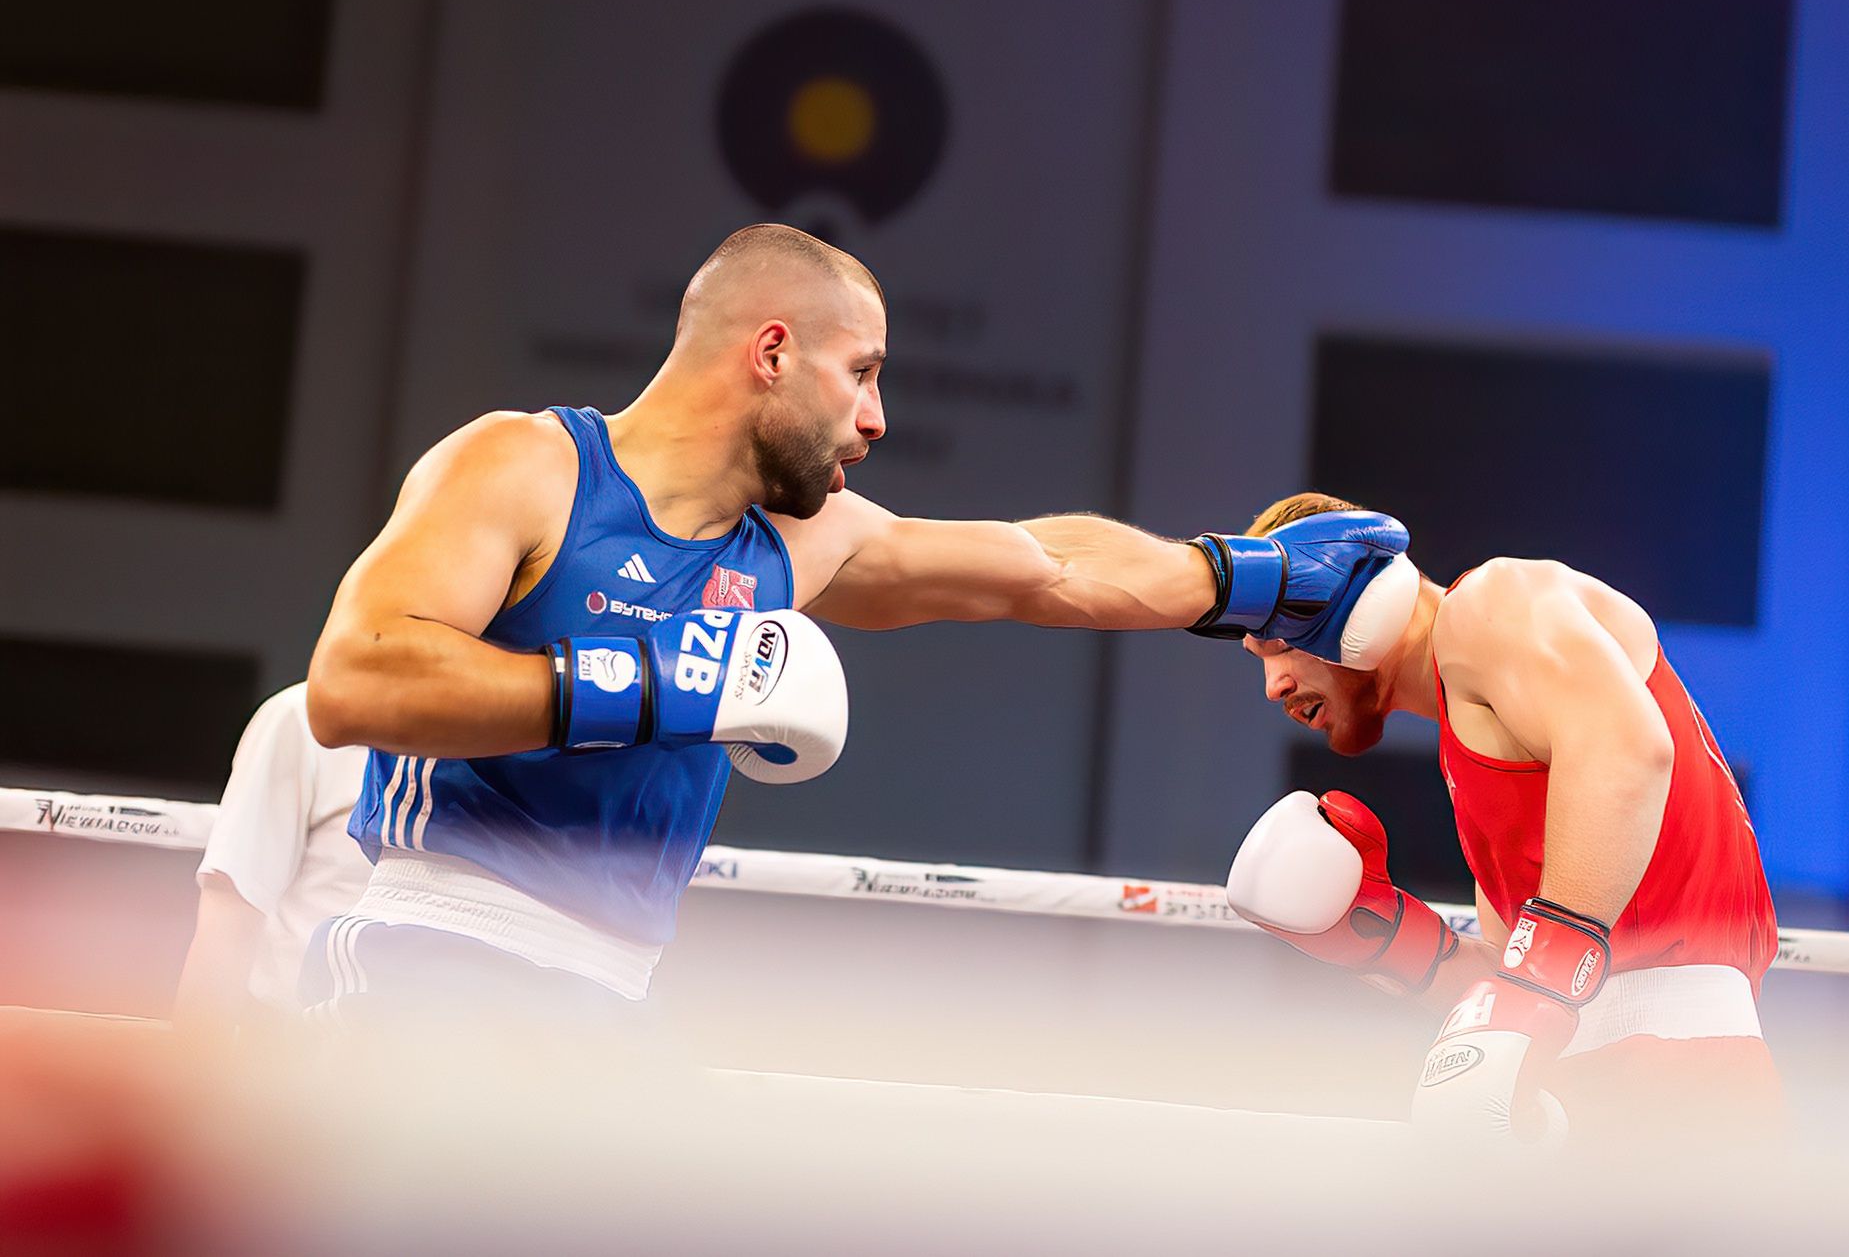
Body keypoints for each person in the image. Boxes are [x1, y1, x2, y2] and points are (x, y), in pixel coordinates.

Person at [303, 224, 1404, 1021]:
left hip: (608, 996)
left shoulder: (798, 542)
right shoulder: (526, 464)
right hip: (433, 953)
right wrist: (652, 684)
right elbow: (355, 680)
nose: (876, 417)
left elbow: (1043, 569)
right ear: (772, 353)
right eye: (861, 372)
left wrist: (1244, 576)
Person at [1223, 492, 1781, 1149]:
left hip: (1677, 1076)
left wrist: (1539, 976)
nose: (1273, 685)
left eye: (1280, 642)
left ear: (1352, 592)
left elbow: (1629, 752)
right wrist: (1388, 937)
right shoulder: (1479, 745)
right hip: (1595, 1088)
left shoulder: (1492, 603)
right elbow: (1534, 993)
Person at [173, 683, 369, 1031]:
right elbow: (231, 908)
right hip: (291, 1046)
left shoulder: (493, 735)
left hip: (451, 1050)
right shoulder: (302, 717)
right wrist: (191, 1074)